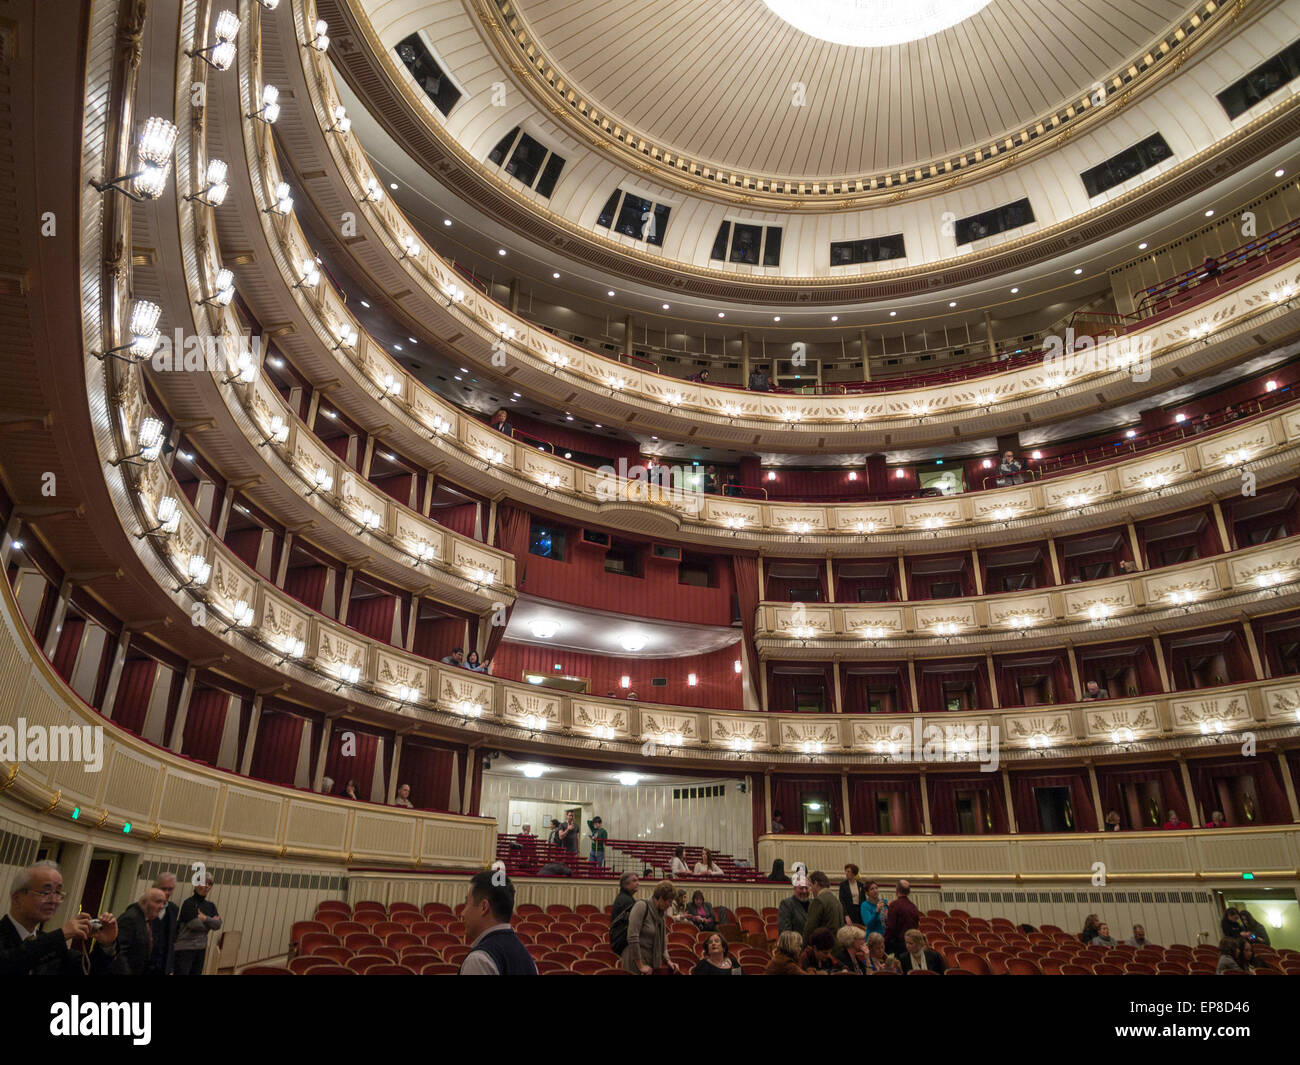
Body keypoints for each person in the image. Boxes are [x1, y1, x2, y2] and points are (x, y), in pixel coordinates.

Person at [1, 860, 125, 976]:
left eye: (58, 893)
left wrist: (107, 945)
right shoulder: (51, 941)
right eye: (45, 893)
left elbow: (85, 970)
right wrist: (62, 935)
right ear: (17, 898)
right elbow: (10, 961)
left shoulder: (51, 943)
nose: (54, 901)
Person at [459, 870, 537, 975]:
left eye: (467, 903)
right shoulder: (528, 958)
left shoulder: (479, 959)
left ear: (483, 907)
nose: (463, 913)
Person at [623, 880, 676, 974]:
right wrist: (641, 966)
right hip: (635, 961)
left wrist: (668, 961)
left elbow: (662, 941)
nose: (670, 905)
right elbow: (632, 937)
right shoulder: (641, 906)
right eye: (669, 901)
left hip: (650, 961)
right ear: (660, 898)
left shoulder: (662, 913)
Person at [173, 874, 222, 976]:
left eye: (210, 884)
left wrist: (204, 918)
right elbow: (195, 925)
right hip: (185, 948)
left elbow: (218, 925)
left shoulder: (210, 906)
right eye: (204, 882)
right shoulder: (188, 903)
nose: (207, 886)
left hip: (201, 948)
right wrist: (211, 922)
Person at [116, 887, 168, 976]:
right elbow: (118, 953)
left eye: (164, 903)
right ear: (144, 902)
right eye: (158, 902)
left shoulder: (148, 921)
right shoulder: (130, 919)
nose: (161, 907)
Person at [802, 871, 844, 943]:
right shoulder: (836, 900)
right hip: (837, 945)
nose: (811, 890)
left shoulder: (818, 901)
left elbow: (810, 929)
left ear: (815, 883)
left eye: (811, 885)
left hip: (824, 947)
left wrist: (803, 949)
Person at [150, 872, 179, 976]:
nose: (166, 892)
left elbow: (171, 941)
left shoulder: (173, 909)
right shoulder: (141, 908)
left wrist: (170, 968)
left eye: (170, 889)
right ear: (154, 888)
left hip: (162, 966)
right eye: (163, 889)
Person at [883, 878, 919, 955]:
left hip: (896, 946)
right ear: (909, 892)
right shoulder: (913, 906)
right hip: (910, 945)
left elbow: (891, 927)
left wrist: (884, 940)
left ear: (897, 890)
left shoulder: (894, 905)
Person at [609, 872, 640, 954]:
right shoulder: (626, 901)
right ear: (625, 884)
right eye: (634, 881)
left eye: (637, 880)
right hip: (623, 944)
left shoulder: (625, 898)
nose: (638, 883)